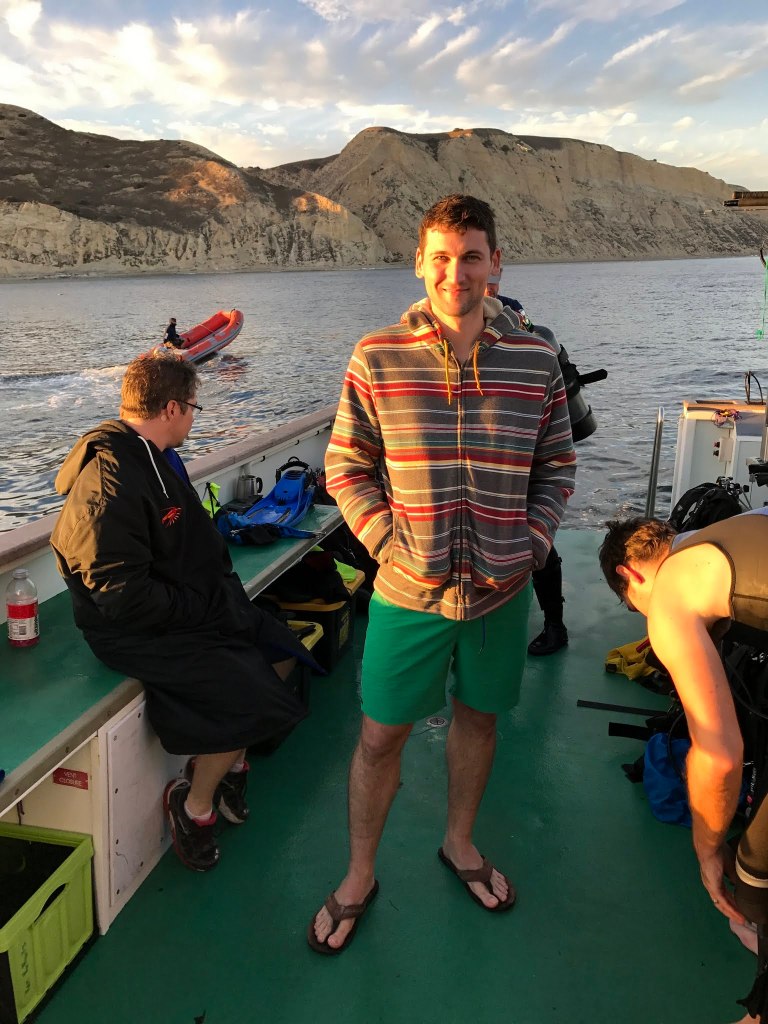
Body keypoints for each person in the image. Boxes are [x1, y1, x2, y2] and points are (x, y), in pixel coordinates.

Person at [308, 194, 576, 954]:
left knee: (480, 720)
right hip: (407, 593)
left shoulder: (536, 361)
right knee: (378, 737)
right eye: (441, 258)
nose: (456, 273)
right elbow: (345, 464)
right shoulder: (377, 356)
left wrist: (532, 543)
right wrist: (386, 543)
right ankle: (359, 874)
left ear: (496, 264)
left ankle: (459, 841)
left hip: (500, 592)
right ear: (420, 264)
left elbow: (557, 464)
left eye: (471, 257)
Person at [50, 356, 313, 873]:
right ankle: (193, 806)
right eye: (194, 407)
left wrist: (215, 599)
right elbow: (120, 596)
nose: (194, 416)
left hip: (187, 605)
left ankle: (228, 764)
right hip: (132, 630)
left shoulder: (156, 457)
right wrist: (203, 607)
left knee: (283, 649)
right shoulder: (110, 483)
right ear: (171, 408)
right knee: (252, 697)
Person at [599, 509, 768, 1024]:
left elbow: (719, 754)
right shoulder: (725, 532)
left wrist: (707, 849)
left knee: (756, 867)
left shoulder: (669, 595)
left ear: (629, 575)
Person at [486, 267, 568, 656]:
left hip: (525, 450)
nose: (486, 287)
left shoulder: (515, 315)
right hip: (490, 451)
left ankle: (555, 624)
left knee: (537, 539)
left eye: (492, 279)